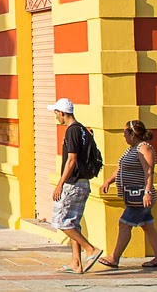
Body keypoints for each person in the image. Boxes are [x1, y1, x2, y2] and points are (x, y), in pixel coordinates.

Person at [98, 120, 157, 269]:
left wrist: (147, 192)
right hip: (133, 196)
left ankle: (114, 258)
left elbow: (149, 171)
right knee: (148, 226)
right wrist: (108, 182)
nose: (124, 136)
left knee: (124, 224)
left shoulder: (144, 148)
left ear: (133, 134)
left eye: (125, 134)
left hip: (141, 196)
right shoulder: (132, 149)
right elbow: (121, 167)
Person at [49, 98, 103, 273]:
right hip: (83, 183)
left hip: (73, 184)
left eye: (56, 113)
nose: (56, 117)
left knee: (61, 221)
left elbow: (71, 160)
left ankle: (90, 249)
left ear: (63, 113)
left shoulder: (72, 131)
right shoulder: (82, 129)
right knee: (73, 223)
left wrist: (60, 184)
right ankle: (76, 263)